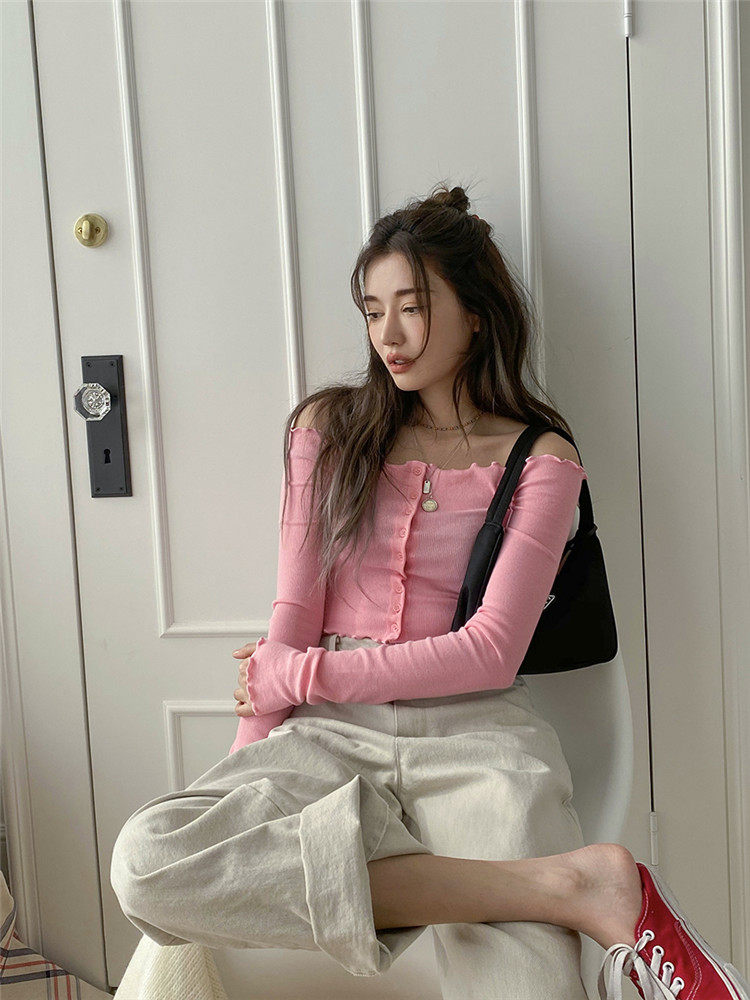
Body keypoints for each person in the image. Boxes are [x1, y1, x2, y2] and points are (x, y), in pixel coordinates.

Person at [110, 184, 748, 1000]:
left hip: (477, 737)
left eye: (411, 308)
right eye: (373, 312)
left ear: (476, 314)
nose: (389, 336)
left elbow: (491, 651)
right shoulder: (328, 429)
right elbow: (294, 614)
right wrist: (245, 770)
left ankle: (469, 874)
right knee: (148, 862)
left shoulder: (541, 457)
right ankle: (564, 887)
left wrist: (295, 675)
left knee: (529, 990)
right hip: (327, 737)